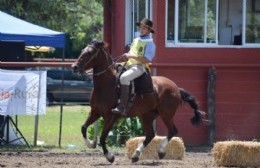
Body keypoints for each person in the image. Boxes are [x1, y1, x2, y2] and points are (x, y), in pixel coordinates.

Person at [112, 18, 156, 115]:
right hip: (128, 64)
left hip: (139, 67)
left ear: (149, 30)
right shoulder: (135, 40)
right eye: (141, 27)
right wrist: (125, 56)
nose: (141, 29)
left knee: (124, 78)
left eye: (144, 28)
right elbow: (131, 54)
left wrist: (130, 56)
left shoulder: (150, 44)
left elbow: (147, 59)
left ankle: (122, 107)